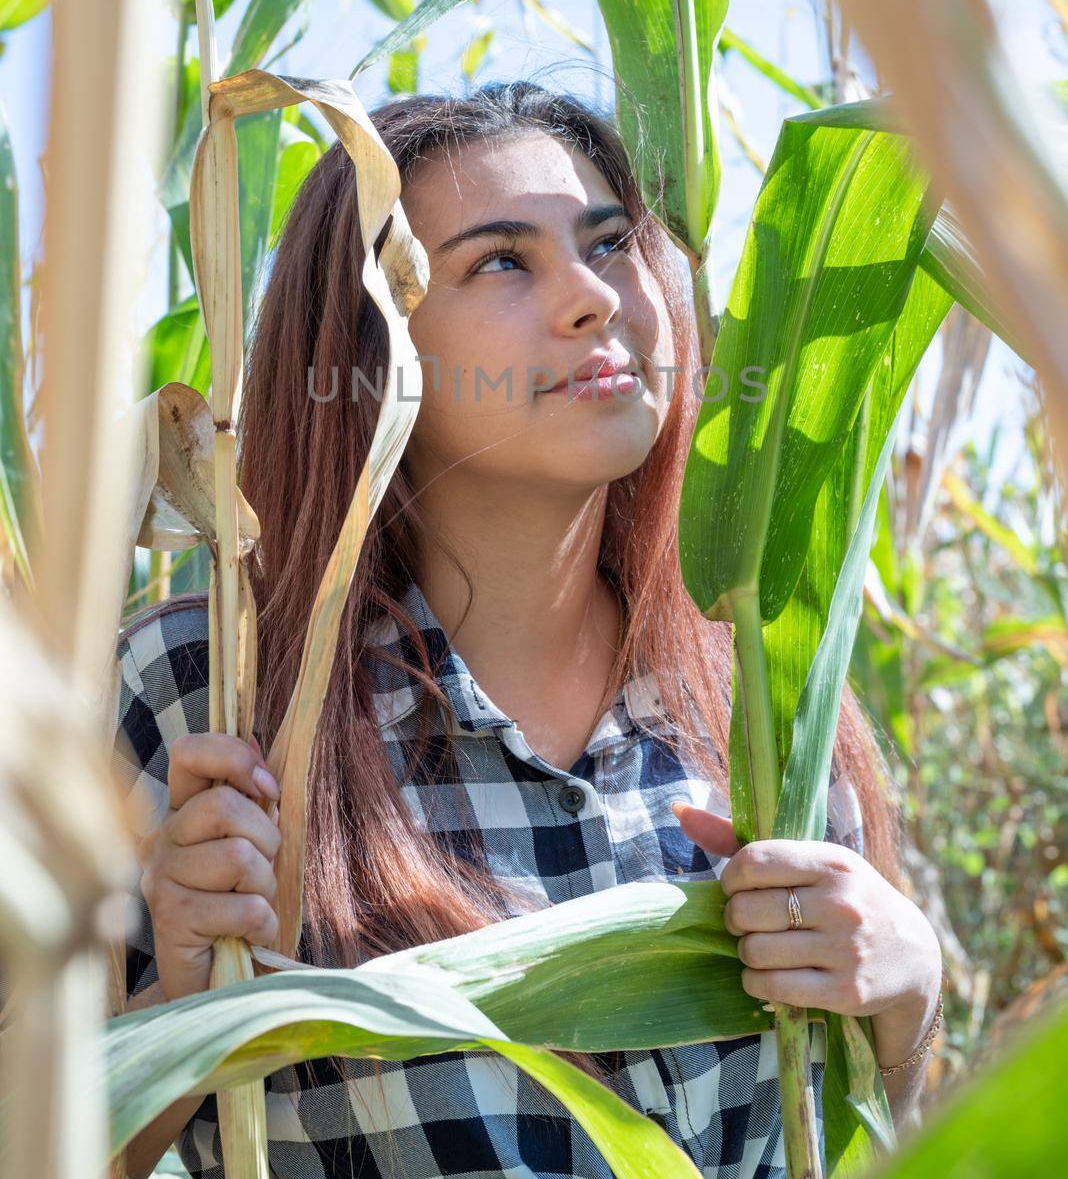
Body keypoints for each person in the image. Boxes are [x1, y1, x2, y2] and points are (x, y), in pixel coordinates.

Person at [114, 80, 943, 1179]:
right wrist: (175, 993)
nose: (594, 296)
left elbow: (872, 1140)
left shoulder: (760, 692)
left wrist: (911, 1000)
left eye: (610, 243)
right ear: (369, 349)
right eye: (501, 260)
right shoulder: (208, 687)